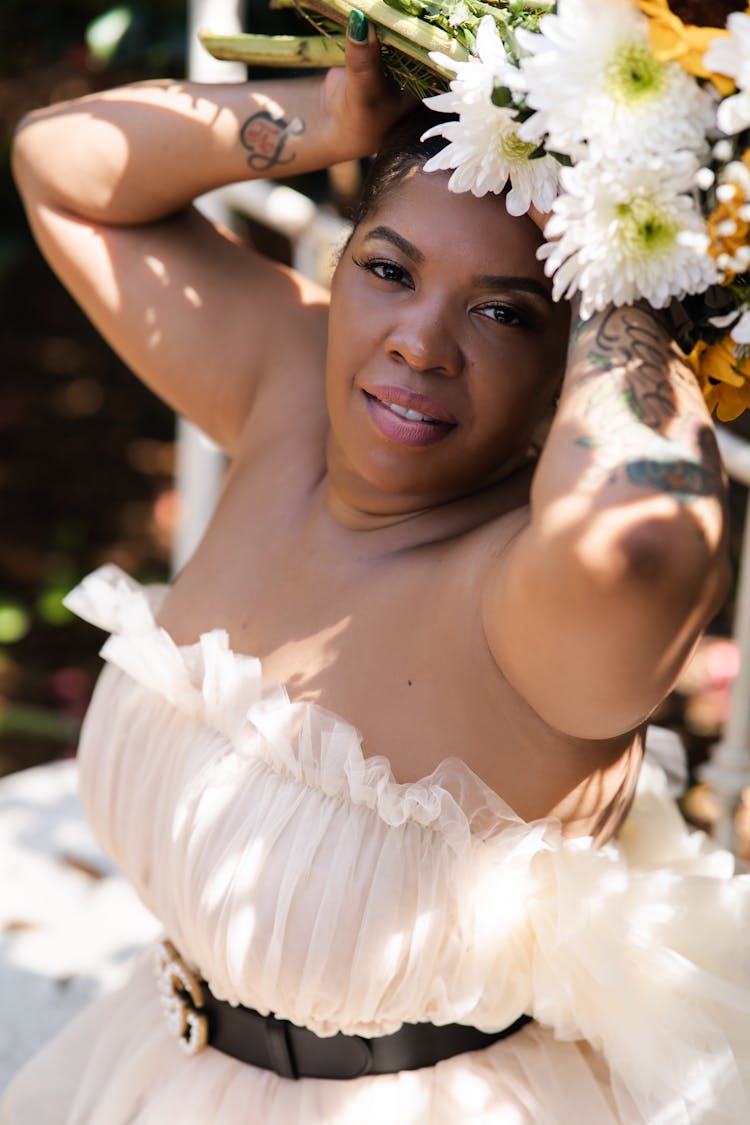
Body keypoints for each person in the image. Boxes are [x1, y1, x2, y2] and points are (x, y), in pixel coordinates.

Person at [4, 12, 749, 1123]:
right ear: (340, 262)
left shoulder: (537, 607)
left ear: (570, 363)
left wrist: (626, 250)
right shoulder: (289, 396)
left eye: (505, 311)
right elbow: (62, 167)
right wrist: (329, 121)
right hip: (158, 1069)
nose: (418, 341)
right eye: (389, 269)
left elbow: (643, 529)